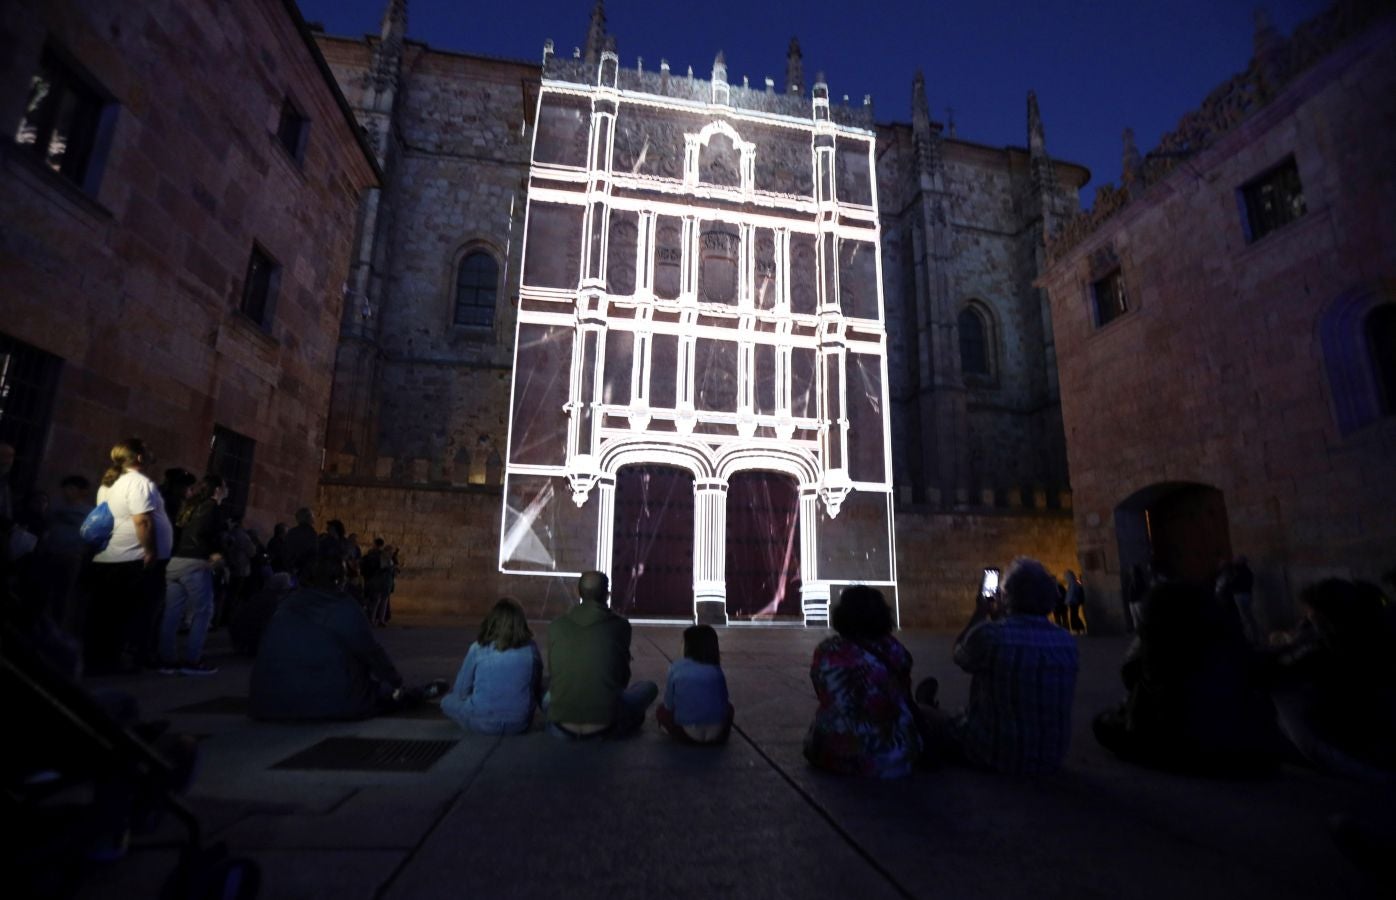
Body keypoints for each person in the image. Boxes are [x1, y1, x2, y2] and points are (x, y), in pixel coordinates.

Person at [1093, 581, 1281, 773]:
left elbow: (1130, 676)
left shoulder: (1160, 643)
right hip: (1252, 747)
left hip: (1192, 745)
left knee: (1103, 724)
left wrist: (1143, 637)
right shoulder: (1226, 634)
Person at [918, 558, 1079, 775]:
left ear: (1006, 596)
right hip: (1051, 756)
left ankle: (927, 709)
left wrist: (980, 613)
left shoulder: (992, 635)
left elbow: (960, 654)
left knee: (920, 712)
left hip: (994, 752)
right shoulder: (1066, 641)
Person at [250, 552, 408, 720]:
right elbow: (370, 652)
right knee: (386, 695)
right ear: (338, 580)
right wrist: (395, 682)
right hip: (328, 702)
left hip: (270, 702)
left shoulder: (286, 605)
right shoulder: (342, 606)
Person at [1265, 579, 1396, 780]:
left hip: (1363, 738)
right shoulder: (1371, 628)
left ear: (1324, 614)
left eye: (1310, 611)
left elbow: (1280, 670)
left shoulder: (1334, 648)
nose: (1307, 615)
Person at [804, 586, 921, 777]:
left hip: (828, 751)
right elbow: (902, 692)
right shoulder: (893, 650)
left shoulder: (826, 651)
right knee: (930, 716)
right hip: (887, 756)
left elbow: (823, 691)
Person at [84, 439, 174, 674]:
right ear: (139, 457)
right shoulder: (137, 482)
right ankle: (115, 660)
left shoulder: (110, 483)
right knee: (127, 612)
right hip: (131, 558)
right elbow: (142, 520)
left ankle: (98, 658)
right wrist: (150, 551)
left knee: (107, 611)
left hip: (112, 556)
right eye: (148, 449)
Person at [545, 570, 657, 738]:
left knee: (546, 692)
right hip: (606, 725)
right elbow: (622, 679)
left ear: (578, 592)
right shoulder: (620, 626)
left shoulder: (556, 625)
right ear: (607, 594)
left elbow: (554, 673)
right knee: (648, 688)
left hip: (561, 726)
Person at [441, 598, 543, 734]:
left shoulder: (477, 648)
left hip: (482, 722)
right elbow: (535, 685)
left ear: (492, 621)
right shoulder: (530, 648)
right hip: (519, 722)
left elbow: (461, 691)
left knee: (446, 701)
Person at [158, 475, 227, 675]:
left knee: (172, 613)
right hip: (195, 562)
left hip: (177, 560)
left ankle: (166, 659)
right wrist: (216, 553)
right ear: (217, 490)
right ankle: (192, 660)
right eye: (224, 486)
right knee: (203, 612)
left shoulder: (190, 506)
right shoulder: (212, 507)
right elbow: (209, 533)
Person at [657, 624, 734, 745]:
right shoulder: (717, 671)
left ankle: (669, 729)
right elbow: (724, 703)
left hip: (687, 735)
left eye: (682, 642)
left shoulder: (676, 667)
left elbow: (668, 705)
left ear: (688, 646)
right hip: (718, 735)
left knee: (660, 711)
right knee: (730, 708)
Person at [41, 475, 94, 633]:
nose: (67, 492)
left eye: (72, 488)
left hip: (72, 557)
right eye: (66, 488)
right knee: (45, 591)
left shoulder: (89, 513)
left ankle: (55, 629)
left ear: (82, 492)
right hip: (50, 554)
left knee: (63, 595)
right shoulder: (55, 508)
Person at [281, 507, 317, 577]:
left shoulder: (292, 532)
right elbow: (311, 551)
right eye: (312, 516)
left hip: (290, 567)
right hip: (303, 570)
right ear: (308, 517)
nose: (314, 518)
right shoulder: (310, 533)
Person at [1065, 570, 1086, 635]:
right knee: (1073, 616)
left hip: (1074, 602)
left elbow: (1074, 592)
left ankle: (1080, 628)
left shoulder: (1075, 582)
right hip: (1072, 602)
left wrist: (1068, 600)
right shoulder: (1073, 583)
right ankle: (1077, 629)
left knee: (1074, 616)